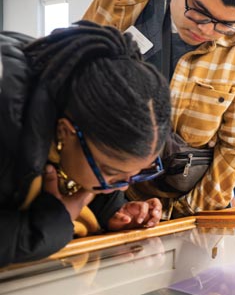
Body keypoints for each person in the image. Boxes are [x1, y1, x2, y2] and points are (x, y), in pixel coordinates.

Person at [83, 0, 235, 218]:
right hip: (95, 186)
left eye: (226, 24)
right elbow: (79, 75)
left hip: (174, 204)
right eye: (199, 13)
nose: (207, 31)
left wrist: (180, 215)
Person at [0, 22, 172, 267]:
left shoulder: (64, 87)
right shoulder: (6, 112)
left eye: (132, 175)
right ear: (64, 132)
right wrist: (51, 225)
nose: (123, 189)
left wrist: (111, 210)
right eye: (112, 174)